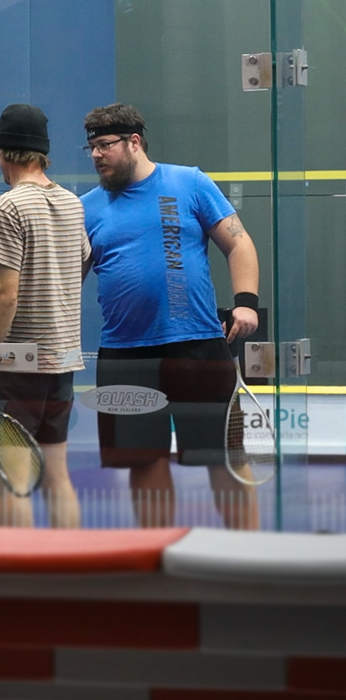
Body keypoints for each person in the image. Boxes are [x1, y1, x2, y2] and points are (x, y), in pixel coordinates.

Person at [80, 102, 260, 529]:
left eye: (105, 145)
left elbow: (239, 243)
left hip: (197, 345)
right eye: (90, 147)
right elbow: (68, 280)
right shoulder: (84, 207)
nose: (95, 155)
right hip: (125, 356)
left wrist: (246, 302)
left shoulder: (189, 182)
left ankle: (248, 552)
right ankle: (158, 559)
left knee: (224, 458)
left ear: (134, 142)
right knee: (144, 463)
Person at [0, 103, 91, 528]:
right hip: (61, 363)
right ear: (43, 154)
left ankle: (16, 580)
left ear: (2, 152)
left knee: (13, 478)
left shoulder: (7, 207)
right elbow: (80, 266)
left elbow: (4, 295)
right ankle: (68, 574)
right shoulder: (72, 203)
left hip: (15, 366)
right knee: (57, 474)